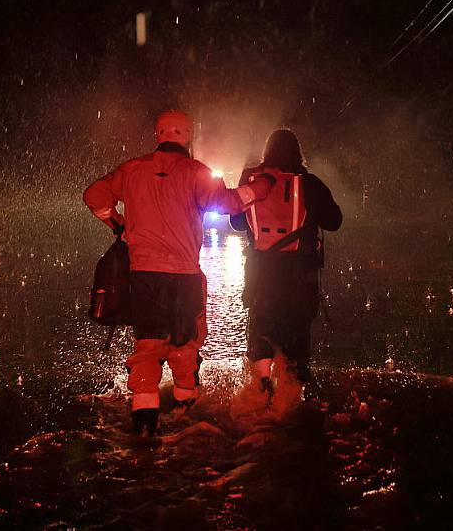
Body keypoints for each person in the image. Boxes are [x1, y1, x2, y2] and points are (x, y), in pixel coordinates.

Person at [83, 110, 275, 436]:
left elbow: (93, 196)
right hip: (185, 275)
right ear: (187, 136)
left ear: (159, 135)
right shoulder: (195, 172)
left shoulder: (132, 170)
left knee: (147, 347)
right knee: (186, 345)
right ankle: (186, 417)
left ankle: (144, 426)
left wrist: (118, 223)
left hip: (143, 275)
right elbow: (228, 203)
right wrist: (258, 190)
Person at [230, 129, 342, 400]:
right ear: (297, 153)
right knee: (297, 331)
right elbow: (334, 221)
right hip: (299, 275)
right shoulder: (309, 184)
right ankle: (293, 397)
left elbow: (235, 222)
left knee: (261, 328)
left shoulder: (256, 184)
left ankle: (262, 385)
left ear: (267, 153)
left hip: (261, 273)